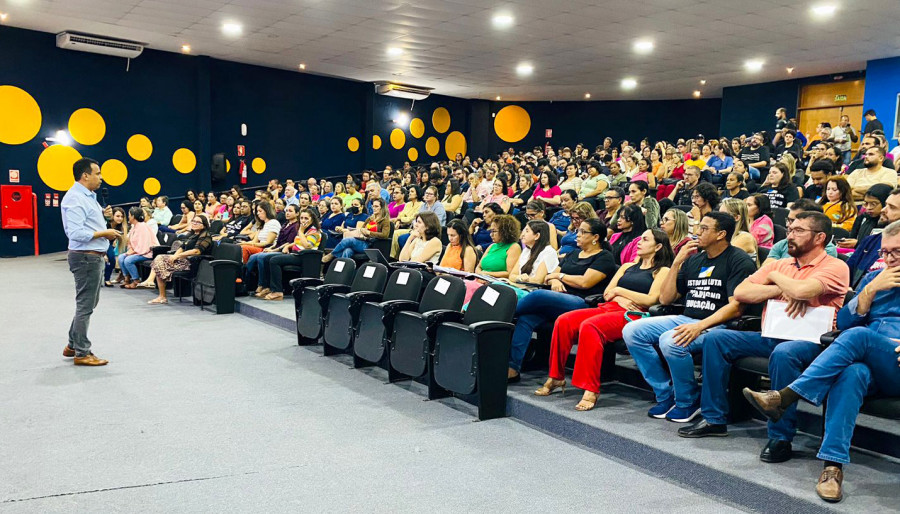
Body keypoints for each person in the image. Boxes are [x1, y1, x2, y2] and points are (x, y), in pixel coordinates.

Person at [742, 220, 900, 502]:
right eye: (885, 252)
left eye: (896, 252)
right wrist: (870, 289)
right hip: (869, 361)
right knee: (851, 373)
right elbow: (847, 320)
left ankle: (785, 397)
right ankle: (832, 467)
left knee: (859, 337)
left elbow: (854, 331)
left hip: (895, 364)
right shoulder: (878, 276)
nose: (888, 259)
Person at [679, 212, 848, 459]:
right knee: (716, 339)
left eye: (799, 231)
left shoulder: (835, 266)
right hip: (773, 334)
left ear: (820, 237)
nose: (790, 235)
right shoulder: (781, 264)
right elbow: (741, 292)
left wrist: (772, 277)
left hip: (813, 342)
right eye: (790, 230)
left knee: (784, 353)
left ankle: (781, 437)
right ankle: (714, 418)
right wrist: (781, 287)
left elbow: (802, 290)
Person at [623, 212, 756, 422]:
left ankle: (688, 400)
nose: (697, 232)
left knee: (672, 341)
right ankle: (666, 395)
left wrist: (700, 326)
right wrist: (676, 263)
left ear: (721, 234)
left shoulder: (739, 260)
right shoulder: (694, 260)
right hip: (687, 317)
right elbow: (666, 299)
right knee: (632, 331)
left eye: (704, 228)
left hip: (720, 325)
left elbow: (736, 307)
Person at [537, 229, 673, 410]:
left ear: (658, 246)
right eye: (640, 238)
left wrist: (619, 292)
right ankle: (556, 377)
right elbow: (608, 292)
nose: (639, 242)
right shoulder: (626, 266)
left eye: (645, 239)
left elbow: (650, 300)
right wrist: (618, 296)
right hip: (610, 307)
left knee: (590, 326)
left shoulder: (662, 270)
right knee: (564, 320)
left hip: (634, 315)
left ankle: (590, 388)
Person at [507, 218, 617, 381]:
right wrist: (556, 279)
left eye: (582, 232)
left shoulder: (604, 257)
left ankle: (503, 313)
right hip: (559, 300)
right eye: (578, 231)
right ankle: (513, 368)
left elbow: (585, 282)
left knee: (537, 295)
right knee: (525, 319)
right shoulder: (573, 253)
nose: (577, 235)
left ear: (595, 237)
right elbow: (550, 277)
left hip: (582, 302)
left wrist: (560, 276)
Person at [60, 158, 117, 366]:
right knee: (85, 306)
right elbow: (75, 233)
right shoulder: (75, 198)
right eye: (98, 173)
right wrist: (105, 232)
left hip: (91, 257)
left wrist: (102, 215)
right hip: (86, 258)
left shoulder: (87, 197)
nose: (101, 178)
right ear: (85, 175)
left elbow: (85, 222)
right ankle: (82, 352)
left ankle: (72, 344)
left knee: (88, 303)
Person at [148, 215, 213, 305]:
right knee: (160, 259)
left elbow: (197, 251)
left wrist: (178, 256)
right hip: (184, 260)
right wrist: (174, 256)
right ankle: (157, 291)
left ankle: (159, 293)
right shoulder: (192, 234)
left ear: (204, 225)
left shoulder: (206, 235)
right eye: (193, 221)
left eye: (198, 222)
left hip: (194, 263)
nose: (194, 223)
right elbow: (182, 247)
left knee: (161, 262)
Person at [259, 208, 323, 301]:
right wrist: (288, 246)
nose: (303, 220)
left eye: (306, 218)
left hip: (305, 257)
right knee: (267, 258)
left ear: (312, 219)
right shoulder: (305, 230)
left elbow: (308, 245)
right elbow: (297, 242)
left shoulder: (315, 232)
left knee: (274, 260)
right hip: (295, 254)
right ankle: (268, 287)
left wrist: (300, 231)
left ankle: (277, 292)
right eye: (301, 218)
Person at [846, 188, 900, 287]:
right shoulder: (870, 241)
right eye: (886, 205)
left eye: (892, 207)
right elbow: (846, 272)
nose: (883, 210)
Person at [249, 204, 300, 297]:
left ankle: (265, 285)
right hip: (278, 248)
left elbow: (288, 243)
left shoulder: (296, 226)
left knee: (263, 257)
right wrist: (271, 248)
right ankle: (253, 283)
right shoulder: (284, 225)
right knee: (255, 256)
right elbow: (278, 241)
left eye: (290, 211)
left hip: (286, 251)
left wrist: (274, 250)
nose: (287, 213)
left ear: (297, 213)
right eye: (286, 211)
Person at [323, 198, 391, 262]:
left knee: (348, 240)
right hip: (362, 240)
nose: (374, 208)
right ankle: (342, 271)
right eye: (373, 206)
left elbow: (385, 235)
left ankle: (331, 255)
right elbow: (362, 229)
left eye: (376, 206)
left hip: (371, 244)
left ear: (382, 208)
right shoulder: (370, 219)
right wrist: (363, 232)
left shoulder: (384, 221)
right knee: (347, 251)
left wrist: (369, 232)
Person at [839, 184, 893, 250]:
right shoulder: (862, 218)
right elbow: (852, 238)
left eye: (873, 204)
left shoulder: (889, 222)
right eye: (866, 203)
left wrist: (858, 244)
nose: (868, 208)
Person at [509, 220, 558, 285]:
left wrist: (524, 279)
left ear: (537, 236)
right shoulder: (526, 250)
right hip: (520, 285)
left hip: (534, 290)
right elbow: (512, 275)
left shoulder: (549, 252)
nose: (522, 234)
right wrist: (519, 278)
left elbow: (538, 280)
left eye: (527, 231)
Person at [475, 214, 522, 279]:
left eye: (494, 231)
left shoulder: (514, 247)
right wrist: (480, 274)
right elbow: (478, 267)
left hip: (497, 283)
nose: (491, 234)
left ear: (505, 232)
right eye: (490, 231)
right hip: (482, 279)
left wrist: (487, 274)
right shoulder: (492, 246)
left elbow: (510, 273)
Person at [117, 207, 154, 288]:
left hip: (147, 253)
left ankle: (136, 280)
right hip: (137, 251)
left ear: (133, 216)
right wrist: (130, 250)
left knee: (128, 260)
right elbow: (130, 242)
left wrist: (132, 252)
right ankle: (127, 278)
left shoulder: (143, 226)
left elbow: (144, 246)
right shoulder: (134, 226)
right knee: (121, 257)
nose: (128, 217)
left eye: (129, 215)